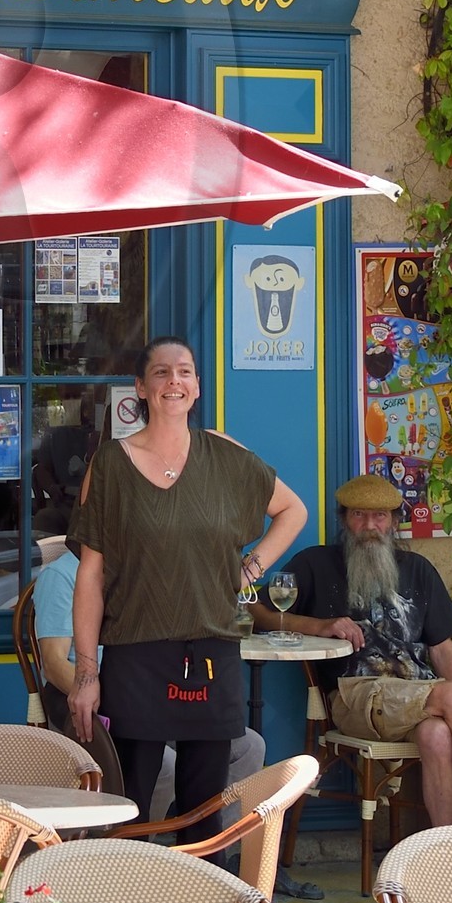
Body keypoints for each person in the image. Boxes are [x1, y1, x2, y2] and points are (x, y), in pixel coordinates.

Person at [68, 336, 308, 834]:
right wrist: (87, 676)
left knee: (205, 810)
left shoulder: (227, 457)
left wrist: (251, 567)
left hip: (212, 653)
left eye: (184, 372)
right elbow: (90, 575)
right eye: (160, 373)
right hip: (136, 655)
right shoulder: (110, 464)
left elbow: (293, 510)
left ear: (197, 387)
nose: (173, 382)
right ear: (140, 388)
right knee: (126, 809)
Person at [284, 473, 452, 826]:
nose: (369, 525)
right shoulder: (315, 563)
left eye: (380, 516)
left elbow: (443, 649)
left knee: (436, 735)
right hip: (353, 695)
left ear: (393, 522)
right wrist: (319, 626)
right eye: (359, 515)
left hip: (416, 696)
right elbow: (259, 610)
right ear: (343, 519)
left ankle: (442, 847)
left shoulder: (418, 569)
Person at [31, 541, 265, 818]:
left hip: (156, 693)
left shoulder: (142, 571)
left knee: (249, 746)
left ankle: (215, 852)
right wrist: (113, 695)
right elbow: (54, 663)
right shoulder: (61, 575)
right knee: (164, 766)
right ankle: (142, 852)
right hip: (93, 706)